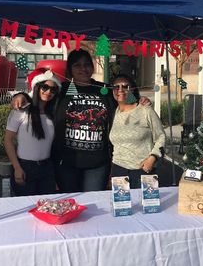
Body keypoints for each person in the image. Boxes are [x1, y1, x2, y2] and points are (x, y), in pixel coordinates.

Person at [12, 49, 151, 193]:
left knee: (93, 203)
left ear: (92, 66)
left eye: (86, 64)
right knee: (71, 202)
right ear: (70, 69)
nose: (83, 69)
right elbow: (40, 96)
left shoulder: (104, 90)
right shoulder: (61, 90)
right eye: (77, 65)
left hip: (98, 164)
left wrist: (140, 100)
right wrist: (21, 95)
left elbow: (126, 96)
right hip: (65, 163)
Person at [4, 68, 61, 196]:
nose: (48, 92)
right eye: (45, 87)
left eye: (53, 89)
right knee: (26, 209)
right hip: (25, 167)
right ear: (37, 87)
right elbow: (8, 140)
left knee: (46, 206)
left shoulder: (54, 113)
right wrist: (17, 168)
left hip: (47, 168)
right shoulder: (21, 111)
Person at [109, 74, 165, 189]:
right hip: (118, 170)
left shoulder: (145, 110)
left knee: (148, 206)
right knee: (122, 206)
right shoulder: (114, 112)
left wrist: (152, 158)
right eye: (116, 87)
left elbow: (161, 136)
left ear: (132, 89)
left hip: (143, 169)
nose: (120, 90)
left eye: (125, 86)